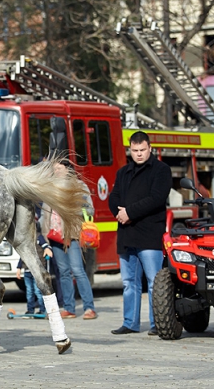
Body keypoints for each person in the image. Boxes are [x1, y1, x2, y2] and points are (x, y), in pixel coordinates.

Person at [108, 131, 171, 335]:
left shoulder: (161, 170)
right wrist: (120, 213)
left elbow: (156, 198)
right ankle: (130, 323)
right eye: (135, 151)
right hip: (127, 234)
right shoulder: (123, 172)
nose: (139, 154)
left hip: (149, 234)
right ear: (130, 150)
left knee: (155, 283)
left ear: (149, 148)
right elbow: (113, 197)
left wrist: (130, 212)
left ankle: (156, 324)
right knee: (129, 282)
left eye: (142, 150)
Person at [40, 161, 97, 320]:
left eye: (59, 168)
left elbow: (89, 209)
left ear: (68, 169)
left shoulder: (78, 186)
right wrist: (44, 236)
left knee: (78, 271)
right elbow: (45, 214)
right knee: (64, 273)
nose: (56, 171)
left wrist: (72, 204)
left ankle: (89, 307)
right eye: (54, 168)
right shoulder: (50, 188)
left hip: (72, 234)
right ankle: (69, 308)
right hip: (55, 236)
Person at [16, 237, 53, 314]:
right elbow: (22, 256)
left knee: (38, 291)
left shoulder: (39, 238)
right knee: (29, 292)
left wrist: (47, 249)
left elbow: (46, 246)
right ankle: (30, 310)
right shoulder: (25, 240)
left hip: (37, 271)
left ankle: (42, 310)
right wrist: (19, 268)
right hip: (27, 271)